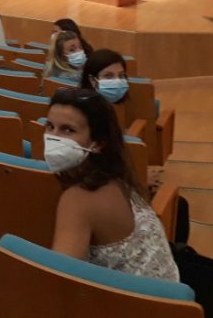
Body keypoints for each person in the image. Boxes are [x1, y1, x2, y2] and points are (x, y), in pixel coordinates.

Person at [46, 87, 179, 281]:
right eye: (50, 126)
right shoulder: (115, 175)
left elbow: (61, 282)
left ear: (98, 143)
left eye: (68, 130)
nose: (54, 137)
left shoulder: (79, 197)